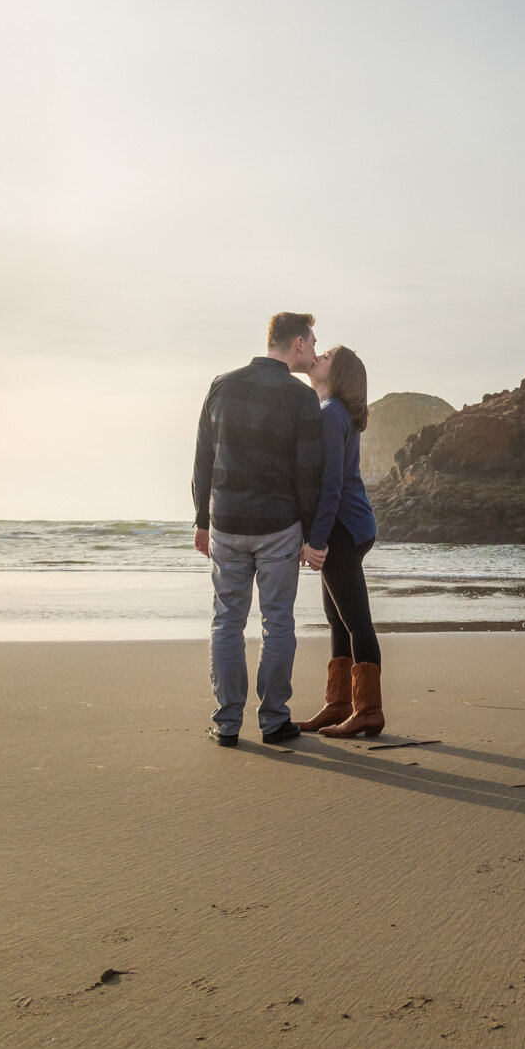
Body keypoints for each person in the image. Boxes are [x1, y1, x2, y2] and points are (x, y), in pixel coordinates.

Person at [192, 312, 324, 747]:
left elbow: (203, 460)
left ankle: (227, 724)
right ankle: (273, 721)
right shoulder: (299, 398)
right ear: (298, 344)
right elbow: (309, 472)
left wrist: (201, 520)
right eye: (313, 340)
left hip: (227, 523)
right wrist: (309, 534)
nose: (316, 347)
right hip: (278, 527)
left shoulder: (221, 385)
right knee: (277, 622)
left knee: (227, 621)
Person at [294, 344, 385, 737]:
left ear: (339, 371)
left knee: (354, 620)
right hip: (351, 525)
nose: (319, 357)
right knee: (337, 618)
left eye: (327, 355)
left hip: (343, 528)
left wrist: (315, 539)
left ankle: (368, 710)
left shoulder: (331, 413)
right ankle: (338, 704)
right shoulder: (333, 411)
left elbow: (330, 484)